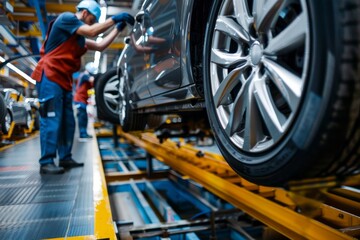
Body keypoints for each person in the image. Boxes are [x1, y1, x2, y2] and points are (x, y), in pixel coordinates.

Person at [31, 0, 134, 174]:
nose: (92, 24)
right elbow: (93, 32)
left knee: (68, 122)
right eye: (92, 19)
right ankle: (46, 161)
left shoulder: (78, 39)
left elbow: (100, 46)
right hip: (49, 76)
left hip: (63, 80)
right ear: (85, 13)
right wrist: (115, 19)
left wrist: (118, 28)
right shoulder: (66, 18)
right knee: (51, 119)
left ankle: (65, 158)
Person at [74, 62, 96, 140]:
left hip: (82, 100)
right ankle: (82, 134)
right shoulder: (85, 75)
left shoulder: (84, 76)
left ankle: (84, 133)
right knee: (82, 117)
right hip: (79, 99)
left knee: (84, 117)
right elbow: (92, 80)